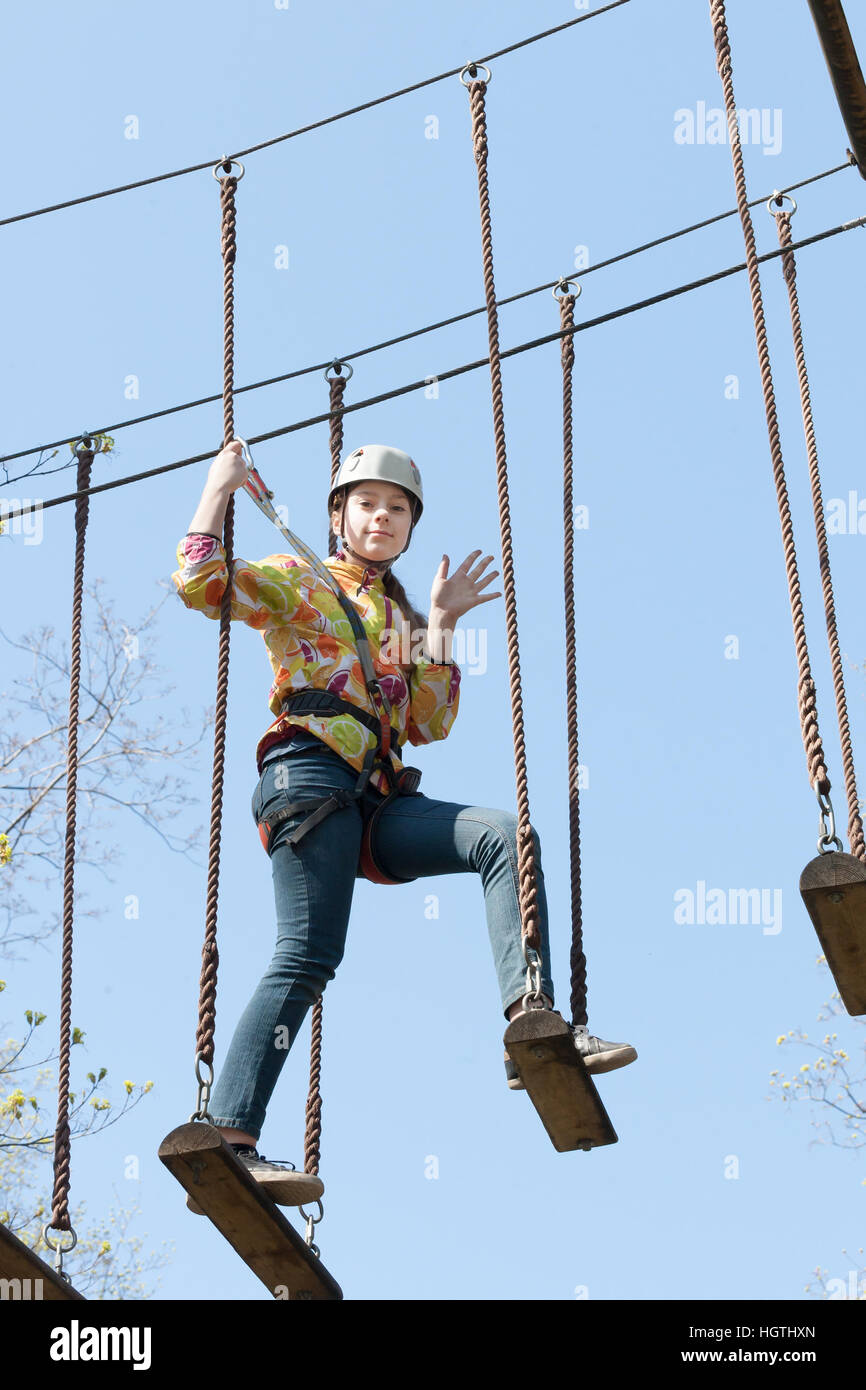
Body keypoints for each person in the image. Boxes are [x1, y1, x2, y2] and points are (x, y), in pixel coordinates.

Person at [171, 440, 636, 1206]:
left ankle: (532, 1024)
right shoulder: (298, 579)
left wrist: (441, 626)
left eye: (397, 509)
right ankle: (228, 1130)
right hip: (312, 776)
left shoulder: (396, 616)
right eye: (368, 504)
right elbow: (200, 583)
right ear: (338, 516)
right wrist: (217, 489)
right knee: (309, 951)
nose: (382, 518)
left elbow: (429, 721)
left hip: (376, 799)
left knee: (503, 835)